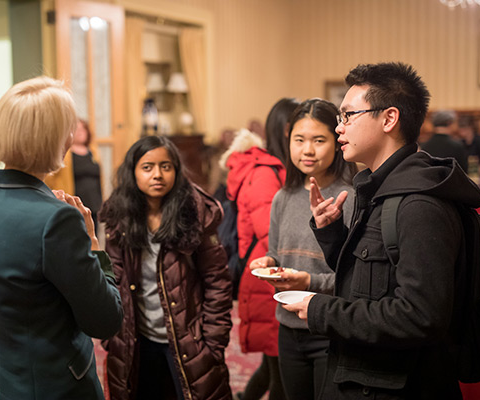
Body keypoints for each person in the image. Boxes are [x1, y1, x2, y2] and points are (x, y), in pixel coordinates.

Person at [284, 62, 480, 399]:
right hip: (365, 377)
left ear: (389, 119)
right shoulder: (382, 188)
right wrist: (333, 233)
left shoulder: (419, 203)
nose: (339, 128)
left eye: (348, 116)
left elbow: (420, 316)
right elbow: (369, 283)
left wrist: (320, 309)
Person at [0, 76, 123, 400]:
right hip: (53, 386)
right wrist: (93, 243)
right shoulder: (56, 219)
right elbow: (105, 320)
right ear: (57, 140)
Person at [99, 135, 233, 400]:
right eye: (147, 167)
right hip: (137, 341)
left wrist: (213, 344)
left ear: (176, 170)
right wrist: (112, 339)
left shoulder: (196, 213)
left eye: (166, 166)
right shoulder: (120, 215)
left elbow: (217, 282)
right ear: (133, 172)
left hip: (190, 342)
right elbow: (111, 280)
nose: (157, 174)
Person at [249, 98, 357, 400]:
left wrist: (308, 283)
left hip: (330, 327)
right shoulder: (283, 197)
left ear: (337, 142)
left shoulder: (351, 196)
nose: (307, 150)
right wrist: (267, 262)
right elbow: (277, 253)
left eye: (319, 140)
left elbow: (356, 279)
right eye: (299, 140)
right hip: (287, 325)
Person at [220, 97, 300, 400]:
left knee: (273, 363)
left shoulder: (276, 168)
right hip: (268, 274)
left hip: (273, 272)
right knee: (280, 367)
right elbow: (271, 235)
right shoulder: (265, 171)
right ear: (285, 130)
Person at [45, 118, 104, 230]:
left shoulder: (94, 152)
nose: (80, 132)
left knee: (93, 237)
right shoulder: (63, 153)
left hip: (93, 205)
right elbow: (50, 178)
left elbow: (98, 180)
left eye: (83, 129)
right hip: (72, 205)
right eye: (76, 129)